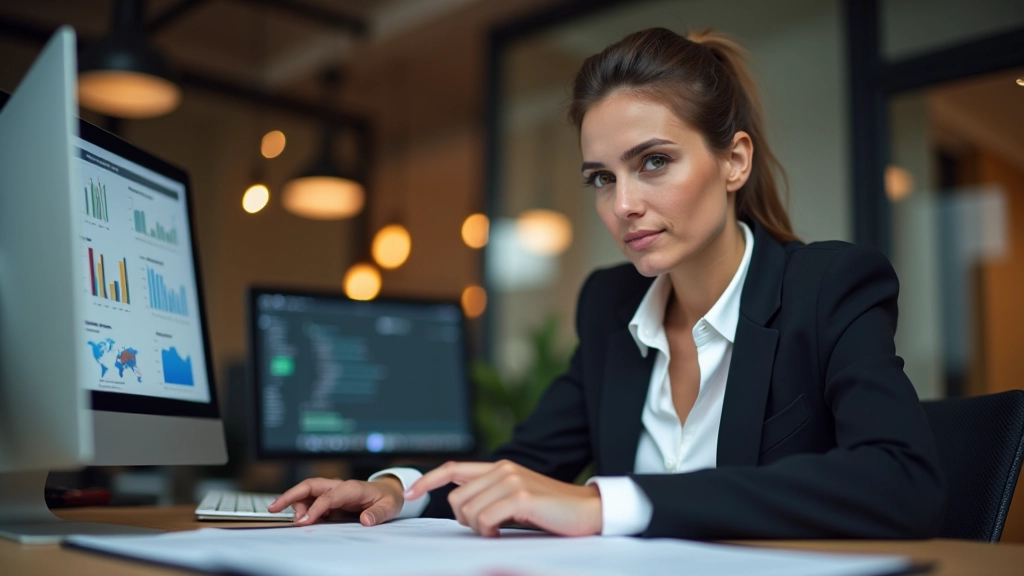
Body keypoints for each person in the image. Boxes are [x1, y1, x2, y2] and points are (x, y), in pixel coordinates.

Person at [268, 27, 945, 540]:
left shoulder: (828, 286)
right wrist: (393, 489)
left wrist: (604, 504)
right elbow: (523, 465)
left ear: (734, 160)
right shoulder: (610, 304)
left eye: (653, 162)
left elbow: (902, 480)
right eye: (602, 177)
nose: (622, 204)